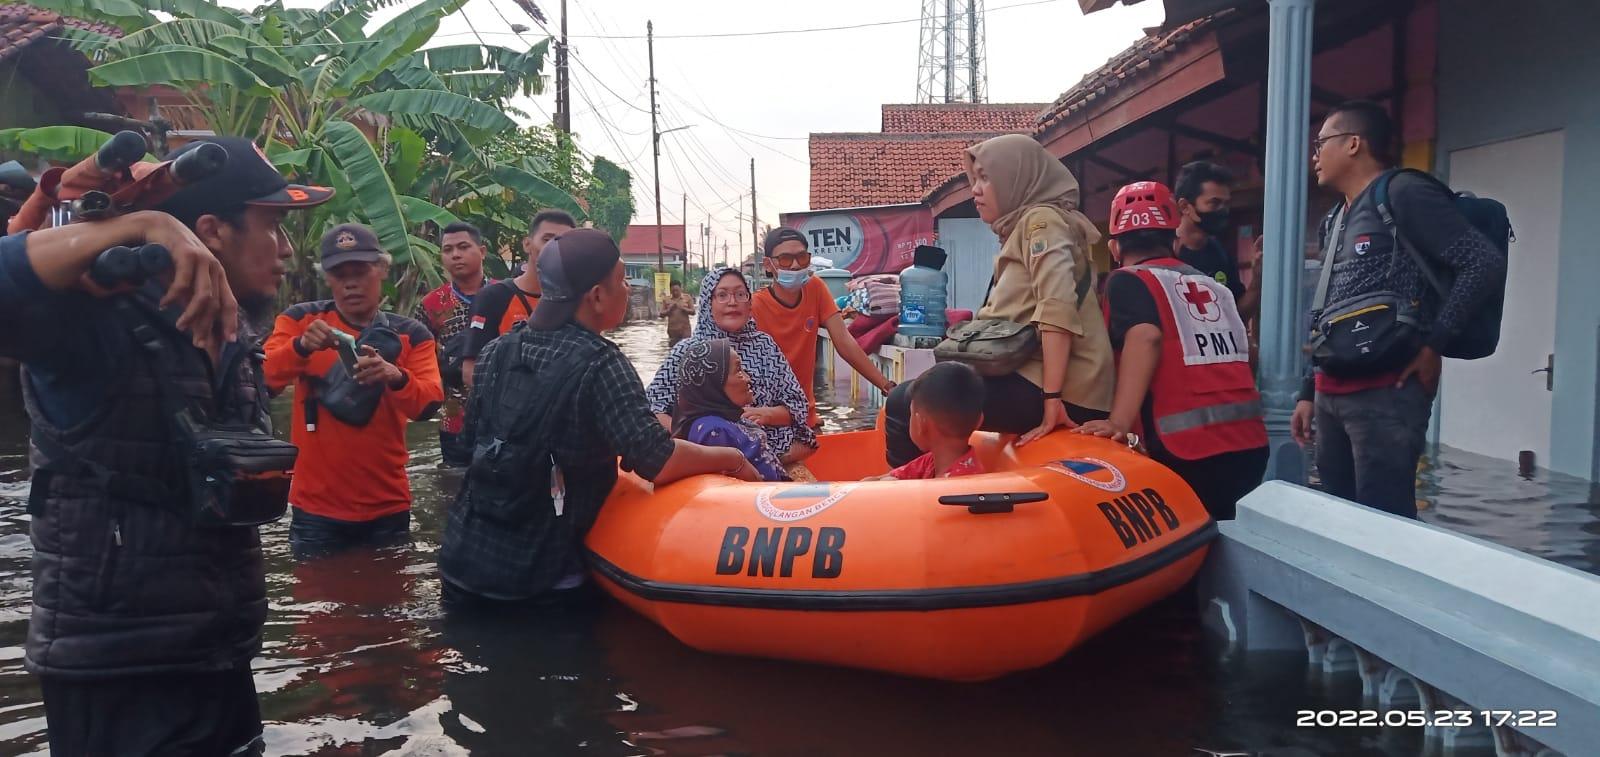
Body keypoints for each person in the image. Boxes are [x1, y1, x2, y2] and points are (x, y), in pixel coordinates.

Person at [0, 135, 333, 756]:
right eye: (271, 226)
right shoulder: (94, 320)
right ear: (210, 232)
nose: (287, 250)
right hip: (119, 674)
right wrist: (139, 225)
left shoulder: (233, 337)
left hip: (218, 653)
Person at [439, 229, 760, 604]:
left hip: (461, 561)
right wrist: (732, 457)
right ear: (596, 296)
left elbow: (470, 442)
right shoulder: (601, 363)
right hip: (538, 581)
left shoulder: (497, 349)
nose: (628, 289)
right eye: (621, 280)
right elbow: (658, 460)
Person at [1291, 100, 1504, 518]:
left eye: (1321, 143)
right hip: (1331, 393)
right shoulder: (1334, 219)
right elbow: (1329, 310)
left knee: (1383, 521)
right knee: (1337, 517)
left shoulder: (1403, 193)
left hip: (1388, 392)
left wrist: (1435, 344)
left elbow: (1482, 262)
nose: (1315, 156)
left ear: (1354, 144)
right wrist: (1308, 391)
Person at [885, 134, 1113, 467]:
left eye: (986, 178)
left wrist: (1053, 399)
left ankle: (907, 492)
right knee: (920, 392)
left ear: (1016, 178)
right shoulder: (1020, 228)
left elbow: (1057, 305)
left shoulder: (1042, 221)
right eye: (974, 180)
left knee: (904, 402)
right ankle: (931, 480)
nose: (975, 190)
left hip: (1063, 390)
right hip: (1029, 377)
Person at [1076, 181, 1268, 520]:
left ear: (1114, 247)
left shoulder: (1128, 280)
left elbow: (1146, 337)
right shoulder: (1215, 288)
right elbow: (1246, 354)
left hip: (1184, 451)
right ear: (1174, 239)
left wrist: (1118, 421)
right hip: (1249, 444)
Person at [263, 223, 444, 556]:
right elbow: (263, 381)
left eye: (360, 271)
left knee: (391, 586)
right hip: (315, 508)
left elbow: (429, 404)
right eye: (339, 274)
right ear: (327, 278)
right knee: (317, 589)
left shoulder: (412, 334)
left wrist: (395, 376)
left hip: (387, 504)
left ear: (382, 270)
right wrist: (301, 347)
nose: (350, 283)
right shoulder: (300, 321)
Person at [648, 266, 818, 466]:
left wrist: (766, 414)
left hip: (772, 453)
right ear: (708, 303)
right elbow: (652, 408)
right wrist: (695, 441)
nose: (732, 302)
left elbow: (798, 406)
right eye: (722, 295)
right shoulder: (688, 351)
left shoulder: (764, 346)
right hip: (704, 461)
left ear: (749, 303)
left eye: (740, 294)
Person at [752, 227, 895, 427]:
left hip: (805, 415)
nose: (795, 265)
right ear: (768, 264)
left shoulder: (815, 288)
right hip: (767, 418)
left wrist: (887, 386)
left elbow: (844, 341)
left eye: (802, 257)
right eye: (785, 259)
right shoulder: (754, 306)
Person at [463, 208, 576, 386]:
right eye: (547, 239)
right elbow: (471, 371)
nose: (554, 247)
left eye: (563, 242)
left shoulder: (577, 301)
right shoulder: (493, 297)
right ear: (527, 244)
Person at [414, 221, 489, 466]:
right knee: (452, 481)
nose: (455, 254)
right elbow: (420, 363)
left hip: (504, 418)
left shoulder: (504, 294)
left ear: (482, 251)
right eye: (448, 250)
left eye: (463, 247)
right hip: (454, 420)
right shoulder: (431, 305)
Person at [671, 338, 788, 482]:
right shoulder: (714, 431)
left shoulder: (728, 420)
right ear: (714, 384)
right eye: (738, 370)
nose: (748, 378)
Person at [1173, 160, 1259, 324]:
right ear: (1185, 206)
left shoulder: (1220, 254)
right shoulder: (1165, 252)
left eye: (1226, 204)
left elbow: (1237, 317)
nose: (1223, 211)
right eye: (1214, 203)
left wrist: (1257, 280)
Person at [874, 362, 986, 480]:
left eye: (911, 414)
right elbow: (885, 479)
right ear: (980, 420)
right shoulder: (931, 461)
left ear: (920, 424)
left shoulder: (956, 485)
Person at [661, 279, 695, 346]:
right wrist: (669, 309)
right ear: (670, 290)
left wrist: (684, 309)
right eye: (673, 291)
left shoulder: (687, 297)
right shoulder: (666, 299)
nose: (675, 292)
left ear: (681, 289)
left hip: (685, 330)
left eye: (677, 290)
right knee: (673, 349)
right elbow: (661, 314)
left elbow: (693, 312)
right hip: (672, 331)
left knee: (686, 348)